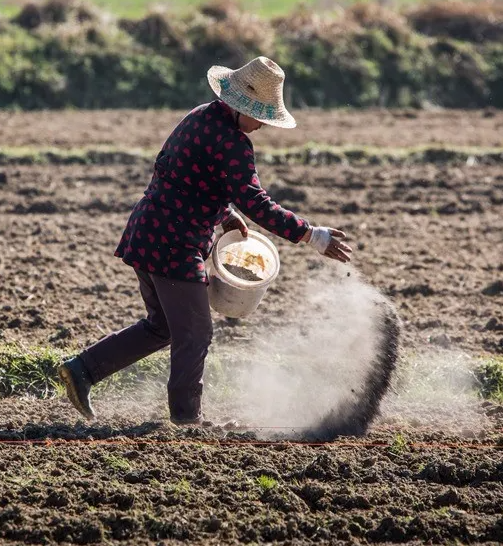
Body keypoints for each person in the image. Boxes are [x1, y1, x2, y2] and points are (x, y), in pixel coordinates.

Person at [59, 57, 352, 425]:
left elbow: (180, 171)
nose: (261, 125)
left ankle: (82, 369)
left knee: (162, 327)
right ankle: (186, 420)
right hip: (174, 245)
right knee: (196, 333)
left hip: (148, 232)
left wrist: (223, 213)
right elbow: (257, 203)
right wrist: (311, 235)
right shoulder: (232, 142)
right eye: (261, 116)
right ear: (244, 107)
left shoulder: (201, 116)